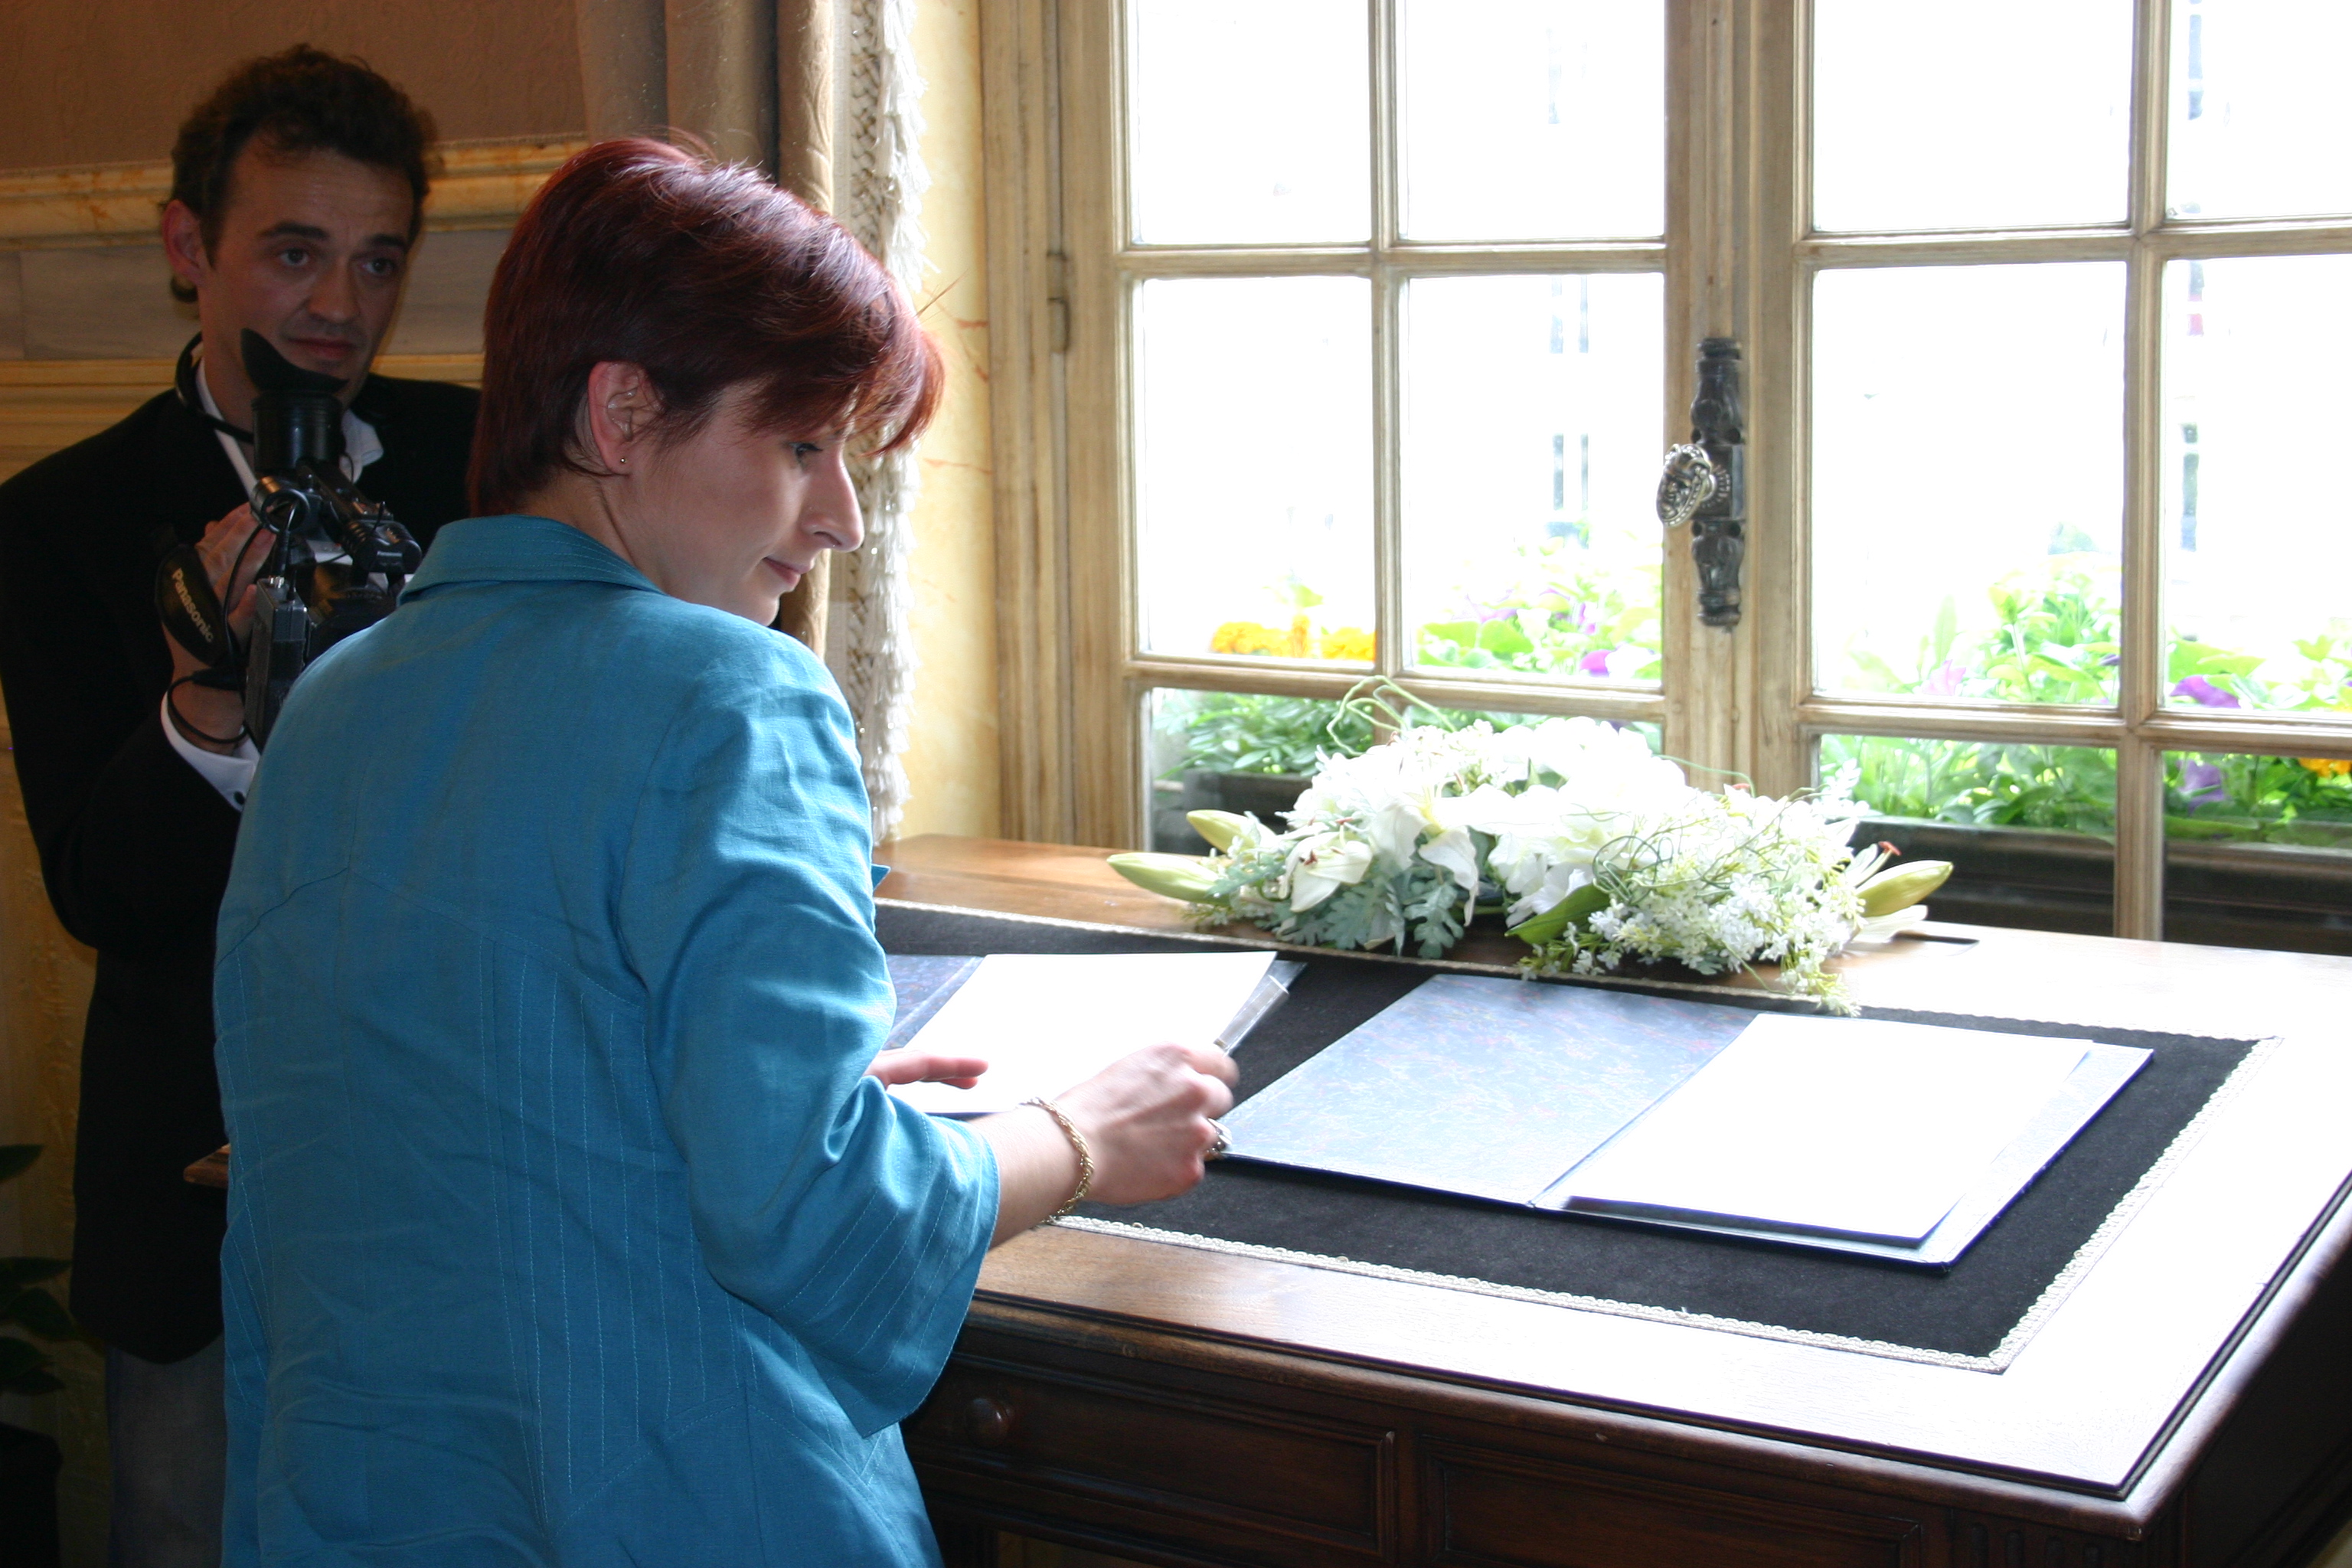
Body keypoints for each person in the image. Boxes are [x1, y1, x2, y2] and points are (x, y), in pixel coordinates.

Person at [211, 139, 1236, 1566]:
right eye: (801, 446)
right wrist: (1079, 1138)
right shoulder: (732, 694)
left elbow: (415, 1134)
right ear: (623, 413)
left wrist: (730, 1091)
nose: (843, 518)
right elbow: (813, 1218)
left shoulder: (334, 699)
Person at [0, 46, 478, 1566]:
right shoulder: (59, 520)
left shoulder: (487, 464)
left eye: (378, 259)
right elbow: (98, 890)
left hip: (454, 1127)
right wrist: (206, 703)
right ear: (186, 247)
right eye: (293, 251)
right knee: (181, 1522)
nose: (339, 303)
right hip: (190, 1142)